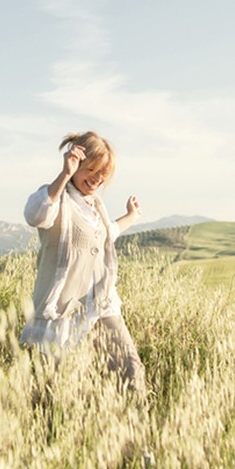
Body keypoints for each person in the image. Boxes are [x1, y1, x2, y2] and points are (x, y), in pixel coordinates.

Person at [20, 131, 146, 397]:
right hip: (63, 310)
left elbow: (106, 235)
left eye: (103, 174)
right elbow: (34, 215)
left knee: (131, 371)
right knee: (55, 389)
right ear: (77, 164)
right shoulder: (57, 199)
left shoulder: (95, 206)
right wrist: (64, 174)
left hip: (101, 304)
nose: (97, 179)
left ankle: (136, 431)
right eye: (91, 169)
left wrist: (131, 217)